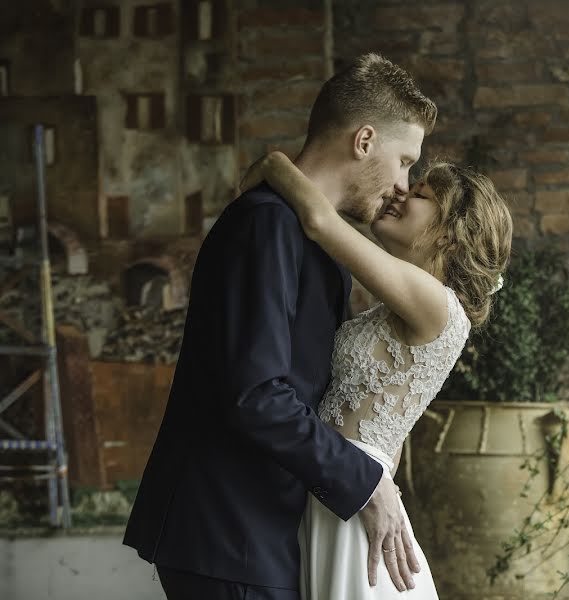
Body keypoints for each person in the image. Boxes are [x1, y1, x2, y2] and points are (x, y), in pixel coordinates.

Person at [123, 53, 437, 599]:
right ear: (364, 141)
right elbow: (255, 395)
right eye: (404, 160)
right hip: (230, 530)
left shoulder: (312, 237)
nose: (403, 185)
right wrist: (367, 486)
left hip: (266, 529)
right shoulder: (266, 225)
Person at [239, 148, 513, 599]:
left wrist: (272, 164)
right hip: (341, 486)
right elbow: (393, 426)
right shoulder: (402, 309)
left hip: (349, 495)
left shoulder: (437, 303)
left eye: (422, 193)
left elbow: (321, 223)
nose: (402, 192)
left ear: (448, 234)